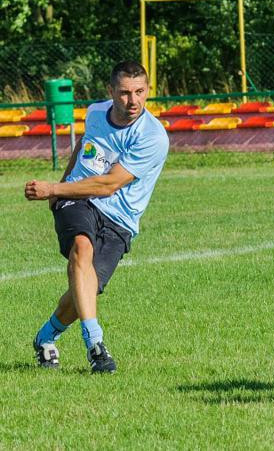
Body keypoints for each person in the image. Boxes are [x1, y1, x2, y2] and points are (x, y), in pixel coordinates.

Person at [25, 61, 169, 373]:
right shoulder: (95, 112)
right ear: (110, 91)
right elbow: (83, 146)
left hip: (120, 219)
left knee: (87, 288)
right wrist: (62, 188)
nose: (132, 101)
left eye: (139, 92)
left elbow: (109, 185)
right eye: (124, 93)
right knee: (82, 248)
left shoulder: (153, 137)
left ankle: (45, 337)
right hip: (79, 199)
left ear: (148, 90)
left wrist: (53, 188)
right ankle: (96, 346)